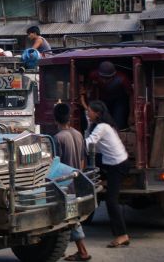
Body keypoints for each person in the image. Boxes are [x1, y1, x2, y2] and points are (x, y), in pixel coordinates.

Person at [85, 100, 130, 248]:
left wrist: (73, 139)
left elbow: (89, 143)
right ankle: (101, 182)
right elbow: (93, 147)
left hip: (117, 165)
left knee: (111, 201)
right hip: (110, 163)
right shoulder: (99, 126)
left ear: (97, 113)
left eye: (90, 111)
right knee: (91, 162)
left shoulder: (103, 127)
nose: (88, 113)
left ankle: (122, 235)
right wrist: (88, 124)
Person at [54, 103, 91, 261]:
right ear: (69, 117)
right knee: (65, 217)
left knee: (71, 218)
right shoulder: (78, 134)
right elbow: (83, 160)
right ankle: (58, 250)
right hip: (77, 179)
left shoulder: (58, 138)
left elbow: (56, 165)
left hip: (64, 183)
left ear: (55, 119)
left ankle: (83, 252)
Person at [81, 61, 133, 131]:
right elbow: (88, 87)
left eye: (108, 78)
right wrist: (86, 91)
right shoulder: (93, 75)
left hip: (119, 100)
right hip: (104, 99)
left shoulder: (123, 79)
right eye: (103, 78)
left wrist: (132, 114)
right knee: (102, 119)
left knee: (118, 120)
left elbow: (131, 96)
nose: (105, 81)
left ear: (113, 76)